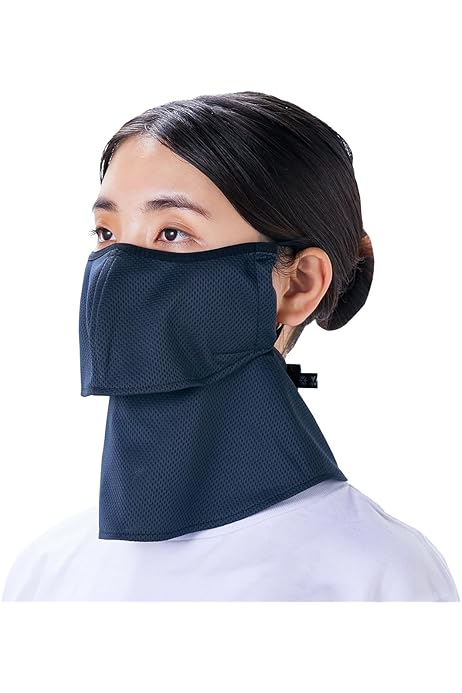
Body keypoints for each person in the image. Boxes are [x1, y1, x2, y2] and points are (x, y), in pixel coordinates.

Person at [2, 91, 459, 601]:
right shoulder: (45, 570)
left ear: (299, 284)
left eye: (172, 233)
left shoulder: (377, 575)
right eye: (106, 233)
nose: (115, 273)